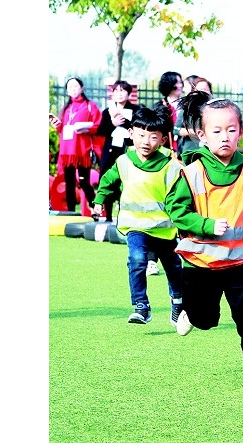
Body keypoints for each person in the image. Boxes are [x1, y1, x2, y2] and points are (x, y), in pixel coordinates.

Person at [162, 98, 243, 394]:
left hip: (241, 263)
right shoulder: (191, 171)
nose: (224, 137)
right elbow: (175, 210)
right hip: (200, 264)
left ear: (241, 132)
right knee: (205, 320)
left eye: (230, 130)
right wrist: (206, 225)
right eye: (216, 131)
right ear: (202, 135)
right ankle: (189, 310)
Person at [92, 104, 187, 328]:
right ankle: (141, 306)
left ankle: (178, 302)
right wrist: (99, 201)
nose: (146, 142)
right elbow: (106, 181)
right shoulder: (124, 161)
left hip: (164, 230)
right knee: (136, 260)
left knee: (174, 268)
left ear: (164, 139)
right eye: (141, 135)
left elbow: (180, 199)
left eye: (153, 137)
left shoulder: (171, 167)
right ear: (131, 133)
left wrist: (184, 226)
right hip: (135, 228)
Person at [52, 77, 102, 216]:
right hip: (67, 152)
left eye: (75, 86)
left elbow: (98, 125)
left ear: (82, 88)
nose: (73, 89)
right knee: (68, 183)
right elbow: (62, 129)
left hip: (82, 151)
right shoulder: (66, 108)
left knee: (85, 182)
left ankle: (95, 209)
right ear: (67, 91)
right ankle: (70, 213)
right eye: (70, 87)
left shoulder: (89, 105)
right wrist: (56, 125)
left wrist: (87, 128)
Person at [96, 80, 140, 215]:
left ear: (128, 93)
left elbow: (138, 127)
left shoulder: (136, 110)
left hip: (127, 148)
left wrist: (123, 121)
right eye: (116, 91)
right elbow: (101, 131)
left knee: (126, 179)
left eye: (123, 90)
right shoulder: (107, 111)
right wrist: (112, 123)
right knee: (108, 177)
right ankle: (107, 213)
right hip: (110, 149)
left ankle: (125, 213)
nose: (120, 94)